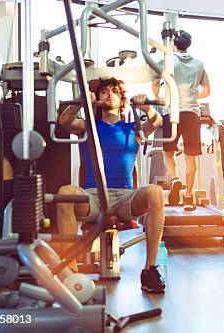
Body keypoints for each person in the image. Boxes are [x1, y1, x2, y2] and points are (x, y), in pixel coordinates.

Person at [57, 77, 167, 294]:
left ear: (122, 100)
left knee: (155, 192)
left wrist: (146, 107)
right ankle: (70, 272)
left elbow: (156, 123)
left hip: (125, 198)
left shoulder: (132, 129)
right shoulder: (88, 126)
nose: (109, 94)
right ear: (97, 100)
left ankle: (150, 270)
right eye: (104, 91)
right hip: (93, 197)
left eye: (114, 91)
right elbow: (65, 121)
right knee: (65, 193)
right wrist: (79, 102)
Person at [158, 30, 210, 211]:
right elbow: (207, 90)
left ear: (173, 44)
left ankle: (174, 179)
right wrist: (194, 96)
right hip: (191, 114)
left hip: (171, 112)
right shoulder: (199, 64)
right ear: (189, 43)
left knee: (168, 153)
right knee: (191, 158)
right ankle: (188, 197)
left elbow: (155, 81)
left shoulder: (168, 60)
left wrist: (159, 96)